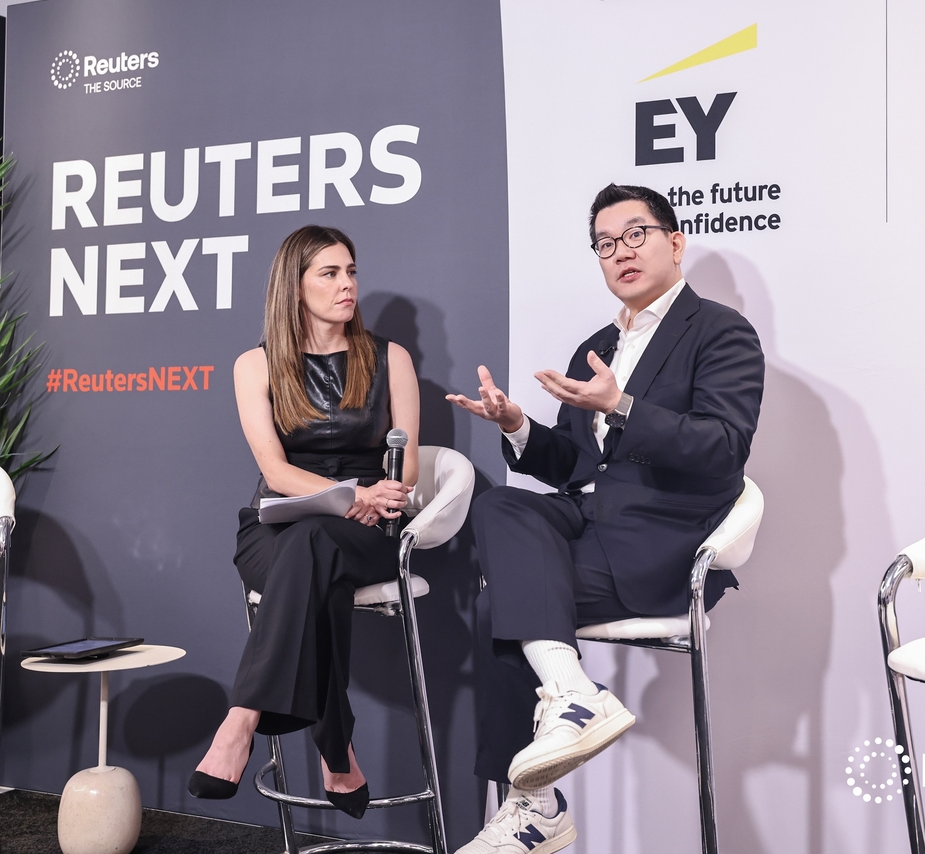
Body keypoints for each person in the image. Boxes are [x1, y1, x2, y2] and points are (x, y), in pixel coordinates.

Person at [447, 183, 765, 853]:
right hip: (588, 521)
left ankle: (532, 807)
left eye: (636, 233)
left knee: (494, 602)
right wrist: (517, 427)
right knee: (499, 501)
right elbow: (573, 466)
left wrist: (621, 404)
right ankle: (570, 691)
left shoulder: (721, 332)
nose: (620, 251)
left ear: (675, 242)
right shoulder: (596, 344)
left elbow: (722, 446)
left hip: (657, 542)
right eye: (605, 243)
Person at [188, 225, 421, 820]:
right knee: (310, 552)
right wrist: (348, 494)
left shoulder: (389, 357)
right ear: (293, 287)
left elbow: (410, 465)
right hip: (275, 524)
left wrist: (371, 497)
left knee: (315, 546)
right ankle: (335, 742)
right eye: (330, 273)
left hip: (371, 527)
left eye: (351, 271)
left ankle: (241, 719)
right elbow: (274, 469)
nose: (348, 285)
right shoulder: (255, 364)